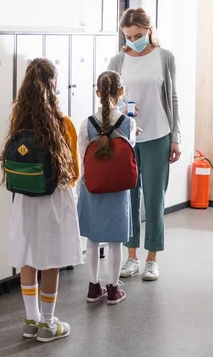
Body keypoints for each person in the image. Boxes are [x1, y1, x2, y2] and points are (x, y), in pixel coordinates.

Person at [4, 58, 83, 343]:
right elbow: (73, 170)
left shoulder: (18, 122)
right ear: (54, 86)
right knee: (51, 261)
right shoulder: (63, 124)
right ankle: (48, 324)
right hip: (54, 200)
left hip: (24, 201)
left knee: (29, 258)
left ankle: (30, 320)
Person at [108, 8, 181, 281]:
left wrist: (176, 137)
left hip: (158, 135)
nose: (133, 40)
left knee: (154, 199)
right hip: (127, 138)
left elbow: (173, 98)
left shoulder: (164, 57)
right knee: (129, 198)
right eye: (128, 36)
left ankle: (152, 258)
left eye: (138, 35)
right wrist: (123, 107)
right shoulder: (117, 61)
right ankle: (131, 257)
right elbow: (110, 100)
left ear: (149, 31)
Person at [77, 71, 137, 305]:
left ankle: (93, 287)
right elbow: (129, 151)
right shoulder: (128, 123)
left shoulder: (86, 123)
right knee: (115, 241)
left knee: (93, 240)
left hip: (93, 187)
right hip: (118, 189)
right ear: (121, 92)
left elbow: (83, 156)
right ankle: (113, 289)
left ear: (97, 93)